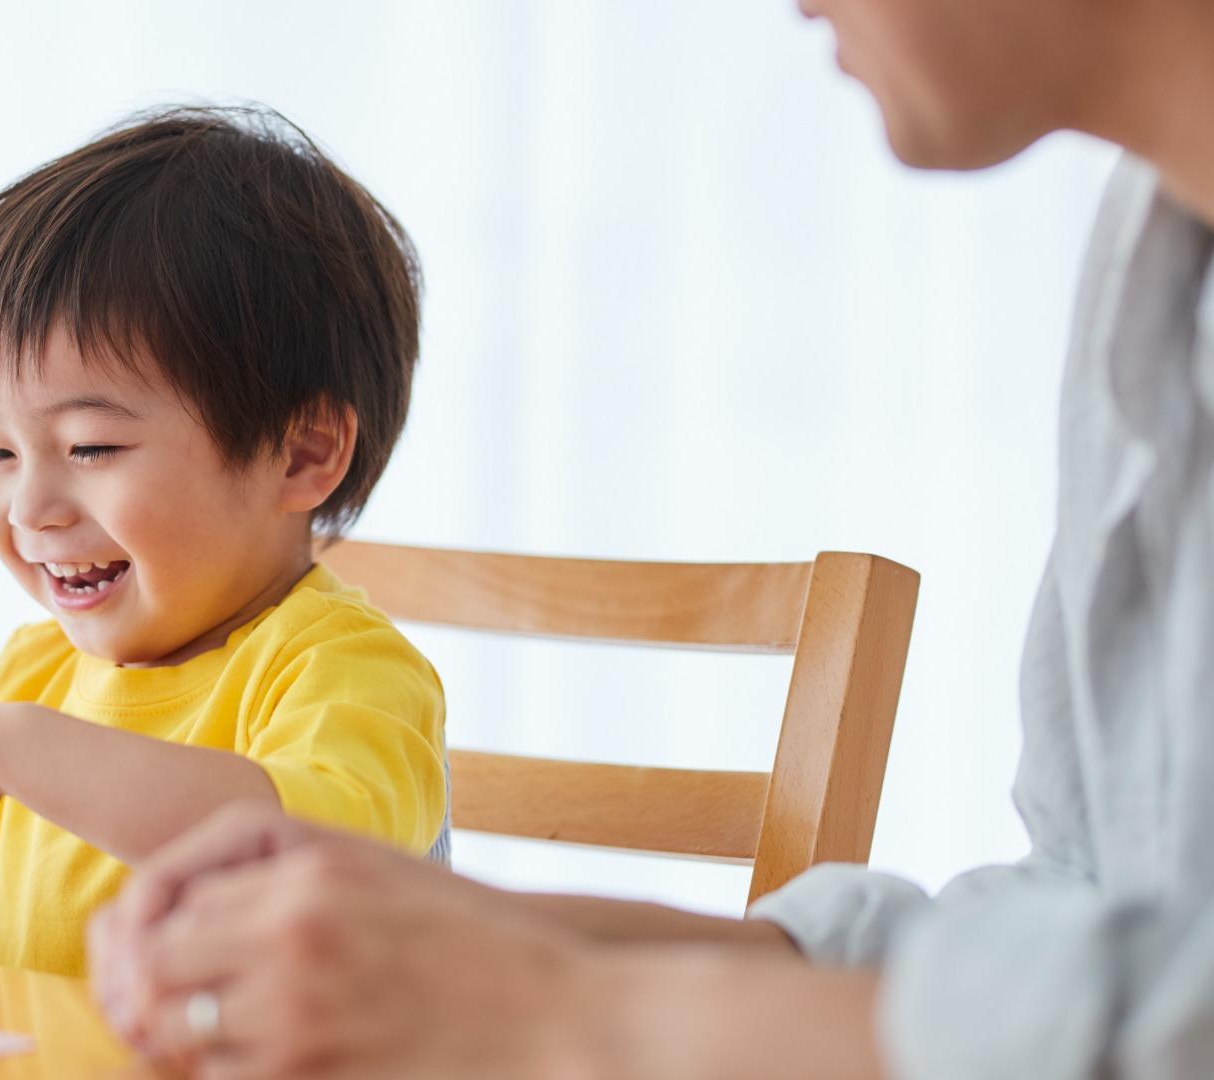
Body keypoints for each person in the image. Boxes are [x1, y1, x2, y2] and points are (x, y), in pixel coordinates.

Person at [88, 0, 1214, 1075]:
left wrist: (578, 1014)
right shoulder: (1147, 270)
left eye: (91, 444)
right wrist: (493, 946)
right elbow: (1091, 906)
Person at [0, 106, 450, 977]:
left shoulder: (346, 674)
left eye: (91, 448)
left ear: (302, 454)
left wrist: (0, 747)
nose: (29, 507)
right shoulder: (37, 679)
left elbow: (292, 855)